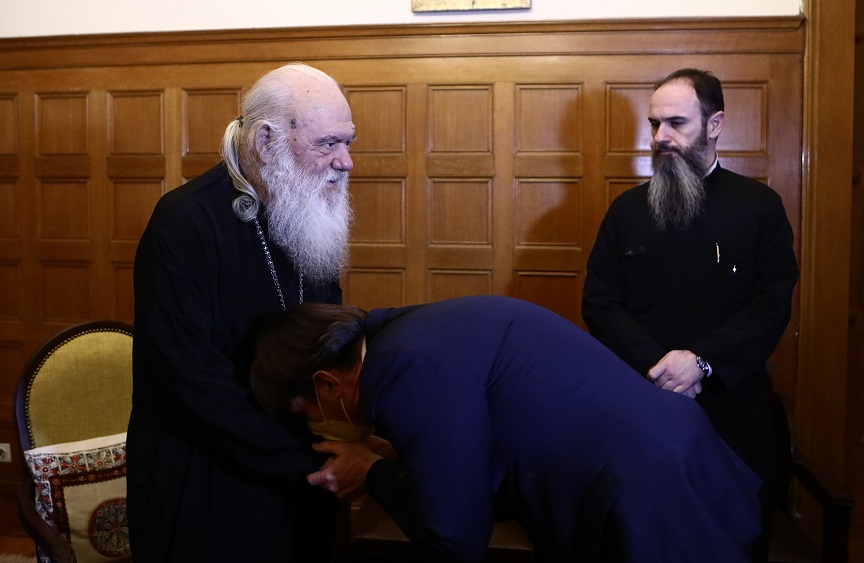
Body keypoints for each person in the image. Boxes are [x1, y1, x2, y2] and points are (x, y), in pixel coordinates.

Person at [249, 295, 763, 563]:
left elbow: (456, 539)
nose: (313, 424)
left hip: (652, 510)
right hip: (687, 458)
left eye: (304, 410)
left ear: (327, 383)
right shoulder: (410, 331)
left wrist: (371, 472)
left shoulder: (399, 369)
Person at [127, 62, 357, 561]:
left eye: (348, 142)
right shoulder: (184, 222)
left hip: (298, 468)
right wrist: (301, 457)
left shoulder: (308, 210)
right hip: (206, 477)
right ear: (265, 141)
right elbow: (191, 380)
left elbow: (326, 337)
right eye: (327, 144)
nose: (345, 162)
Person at [581, 68, 799, 559]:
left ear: (714, 124)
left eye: (676, 123)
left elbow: (771, 305)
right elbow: (599, 302)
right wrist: (660, 367)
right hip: (641, 405)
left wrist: (700, 362)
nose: (661, 137)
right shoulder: (626, 211)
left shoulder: (760, 207)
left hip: (730, 412)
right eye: (654, 124)